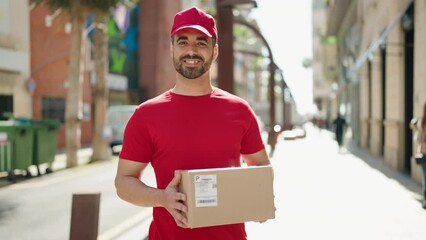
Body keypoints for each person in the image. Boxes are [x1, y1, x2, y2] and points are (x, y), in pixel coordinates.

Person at [114, 7, 271, 240]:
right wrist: (161, 198)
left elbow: (260, 168)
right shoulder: (146, 115)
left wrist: (257, 198)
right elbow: (123, 182)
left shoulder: (240, 111)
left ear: (214, 51)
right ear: (172, 49)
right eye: (183, 41)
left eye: (201, 43)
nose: (191, 50)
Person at [410, 101, 426, 209]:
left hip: (424, 153)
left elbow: (418, 139)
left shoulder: (422, 123)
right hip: (424, 154)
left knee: (425, 178)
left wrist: (416, 127)